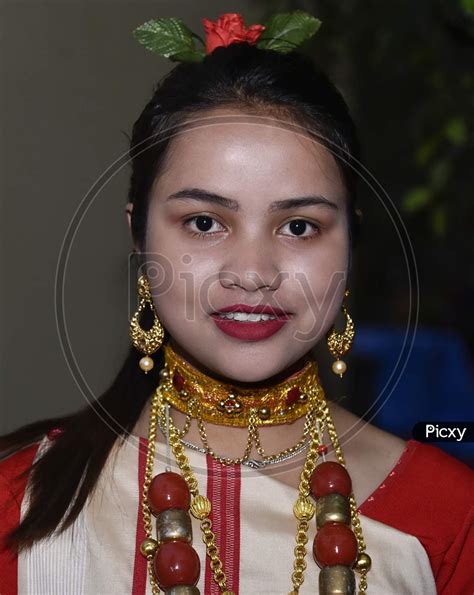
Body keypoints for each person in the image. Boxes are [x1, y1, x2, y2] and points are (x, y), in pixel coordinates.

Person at [1, 11, 473, 595]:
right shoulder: (19, 499)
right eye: (204, 222)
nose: (253, 274)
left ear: (351, 243)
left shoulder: (452, 518)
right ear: (140, 237)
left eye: (299, 227)